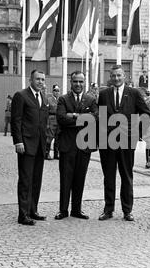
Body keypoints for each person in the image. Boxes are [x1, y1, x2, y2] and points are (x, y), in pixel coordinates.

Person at [97, 65, 150, 221]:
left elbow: (146, 113)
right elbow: (100, 116)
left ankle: (127, 210)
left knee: (126, 176)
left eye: (119, 75)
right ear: (110, 77)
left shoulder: (134, 93)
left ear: (124, 76)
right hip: (107, 142)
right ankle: (108, 209)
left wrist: (136, 131)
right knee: (108, 176)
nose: (116, 78)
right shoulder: (104, 94)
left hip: (127, 142)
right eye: (113, 75)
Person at [54, 71, 98, 220]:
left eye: (80, 82)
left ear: (84, 83)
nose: (78, 84)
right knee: (65, 178)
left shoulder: (91, 100)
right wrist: (83, 118)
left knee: (80, 178)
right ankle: (63, 210)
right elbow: (61, 118)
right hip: (67, 145)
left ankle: (76, 209)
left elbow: (95, 118)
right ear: (70, 82)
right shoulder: (63, 99)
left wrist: (72, 115)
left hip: (84, 146)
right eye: (75, 82)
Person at [11, 70, 49, 226]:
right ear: (30, 80)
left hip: (40, 145)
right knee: (26, 180)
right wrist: (18, 141)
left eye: (42, 79)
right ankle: (23, 214)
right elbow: (16, 120)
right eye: (37, 79)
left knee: (36, 180)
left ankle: (33, 210)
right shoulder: (21, 96)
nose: (40, 82)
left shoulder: (43, 98)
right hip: (26, 145)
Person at [45, 85, 60, 159]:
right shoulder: (49, 99)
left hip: (58, 121)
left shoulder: (60, 100)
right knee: (49, 137)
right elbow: (46, 112)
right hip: (51, 119)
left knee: (57, 138)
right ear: (52, 91)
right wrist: (47, 123)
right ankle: (46, 153)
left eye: (58, 91)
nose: (56, 92)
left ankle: (56, 154)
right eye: (55, 90)